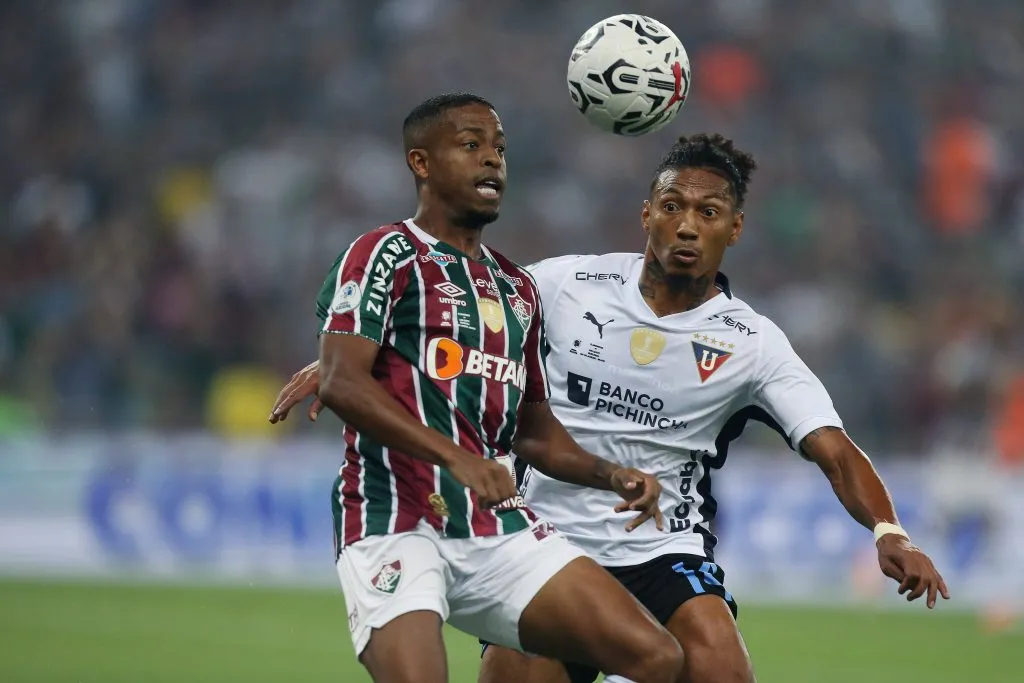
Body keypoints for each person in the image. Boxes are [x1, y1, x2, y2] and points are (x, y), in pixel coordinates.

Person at [273, 132, 950, 683]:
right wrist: (344, 358)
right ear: (646, 213)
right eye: (672, 205)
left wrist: (889, 529)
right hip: (540, 537)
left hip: (660, 548)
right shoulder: (564, 282)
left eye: (708, 213)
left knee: (720, 668)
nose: (687, 225)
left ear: (735, 228)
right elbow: (452, 322)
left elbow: (834, 448)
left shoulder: (754, 343)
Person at [291, 91, 685, 683]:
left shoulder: (515, 288)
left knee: (656, 657)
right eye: (471, 145)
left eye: (499, 148)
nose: (492, 161)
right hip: (393, 515)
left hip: (494, 526)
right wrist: (457, 458)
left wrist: (610, 475)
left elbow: (531, 430)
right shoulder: (386, 253)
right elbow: (344, 380)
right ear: (421, 163)